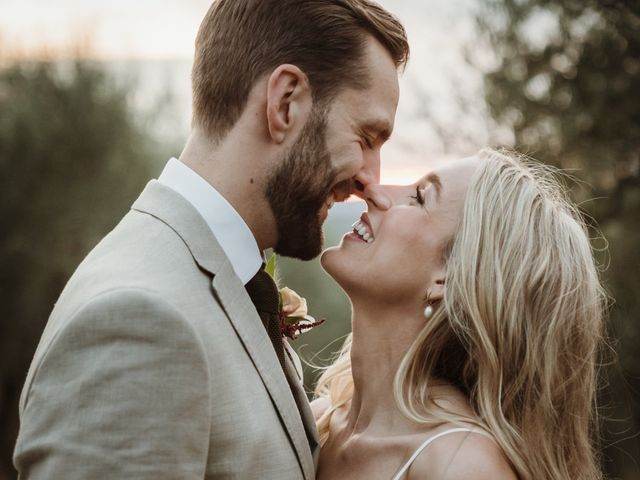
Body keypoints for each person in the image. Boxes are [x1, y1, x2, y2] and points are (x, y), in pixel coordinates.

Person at [13, 1, 408, 478]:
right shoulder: (141, 320)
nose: (372, 179)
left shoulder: (213, 278)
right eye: (366, 137)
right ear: (285, 102)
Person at [314, 148, 606, 480]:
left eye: (420, 198)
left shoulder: (460, 466)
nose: (373, 190)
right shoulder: (320, 421)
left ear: (448, 278)